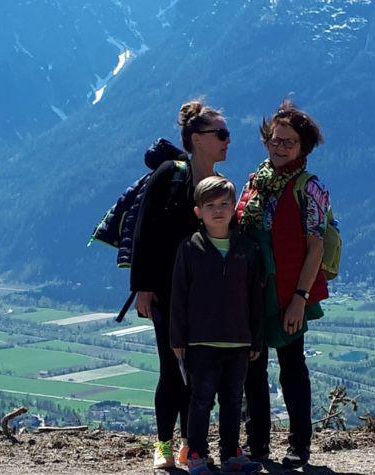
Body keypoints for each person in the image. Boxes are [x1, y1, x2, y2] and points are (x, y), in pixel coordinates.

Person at [130, 100, 231, 469]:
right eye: (220, 134)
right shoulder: (169, 174)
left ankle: (190, 445)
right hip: (166, 292)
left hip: (202, 297)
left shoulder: (216, 187)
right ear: (196, 139)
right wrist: (142, 285)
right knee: (170, 368)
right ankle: (162, 445)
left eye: (227, 134)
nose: (226, 141)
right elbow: (145, 231)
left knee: (198, 371)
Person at [237, 100, 331, 469]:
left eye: (288, 142)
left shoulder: (310, 189)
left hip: (290, 293)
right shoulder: (255, 182)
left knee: (292, 367)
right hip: (254, 294)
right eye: (275, 140)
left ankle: (299, 445)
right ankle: (257, 444)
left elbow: (316, 247)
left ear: (303, 148)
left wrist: (299, 300)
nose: (279, 147)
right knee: (252, 368)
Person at [170, 176, 264, 475]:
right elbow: (178, 295)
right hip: (201, 341)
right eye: (210, 205)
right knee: (201, 401)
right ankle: (196, 454)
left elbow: (255, 296)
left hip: (238, 341)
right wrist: (177, 337)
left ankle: (230, 455)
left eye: (225, 203)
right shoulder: (189, 248)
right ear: (198, 212)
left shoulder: (246, 248)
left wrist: (256, 339)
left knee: (233, 401)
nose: (218, 210)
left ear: (235, 207)